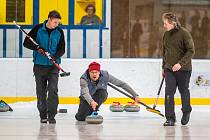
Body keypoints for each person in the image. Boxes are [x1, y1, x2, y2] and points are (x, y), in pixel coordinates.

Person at [23, 10, 65, 124]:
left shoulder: (59, 31)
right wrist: (37, 48)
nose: (57, 24)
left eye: (58, 22)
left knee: (53, 90)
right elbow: (26, 43)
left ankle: (52, 115)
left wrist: (55, 57)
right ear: (49, 19)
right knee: (41, 91)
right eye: (55, 22)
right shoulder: (37, 29)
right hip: (39, 66)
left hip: (53, 67)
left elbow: (62, 49)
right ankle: (43, 114)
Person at [75, 62, 141, 121]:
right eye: (92, 72)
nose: (94, 74)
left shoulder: (106, 76)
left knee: (102, 93)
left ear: (99, 72)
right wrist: (91, 102)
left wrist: (135, 95)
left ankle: (93, 110)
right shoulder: (83, 79)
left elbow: (121, 84)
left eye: (96, 72)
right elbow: (85, 93)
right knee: (81, 118)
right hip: (86, 98)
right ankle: (87, 111)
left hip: (98, 95)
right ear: (89, 72)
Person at [161, 12, 195, 126]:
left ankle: (186, 111)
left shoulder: (184, 33)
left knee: (183, 91)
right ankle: (170, 118)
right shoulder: (166, 35)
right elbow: (164, 52)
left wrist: (180, 64)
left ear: (172, 23)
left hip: (184, 69)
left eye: (165, 23)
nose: (164, 26)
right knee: (169, 92)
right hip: (169, 69)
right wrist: (163, 67)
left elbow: (191, 50)